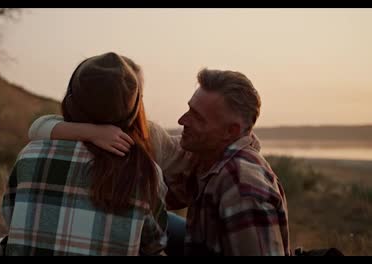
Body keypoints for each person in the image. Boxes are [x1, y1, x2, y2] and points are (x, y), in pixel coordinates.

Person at [29, 69, 290, 256]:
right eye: (189, 108)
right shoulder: (203, 151)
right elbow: (40, 127)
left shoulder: (242, 188)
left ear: (230, 132)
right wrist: (92, 133)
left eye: (197, 117)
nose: (181, 121)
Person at [0, 52, 168, 256]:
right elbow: (155, 243)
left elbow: (11, 215)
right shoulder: (145, 171)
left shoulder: (30, 155)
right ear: (134, 110)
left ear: (70, 100)